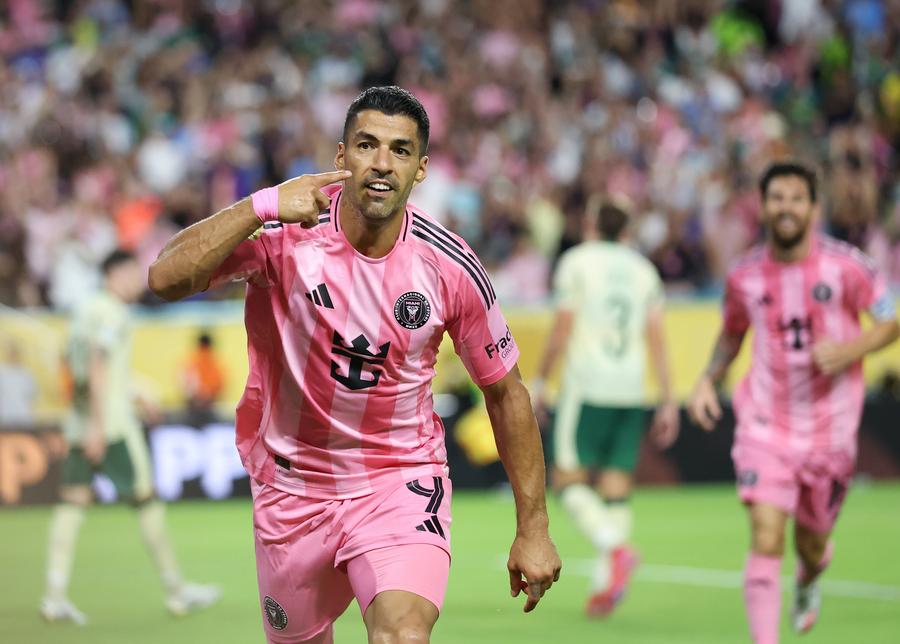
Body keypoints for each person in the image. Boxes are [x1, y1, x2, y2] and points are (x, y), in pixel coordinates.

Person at [148, 86, 561, 644]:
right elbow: (165, 279)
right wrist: (259, 205)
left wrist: (533, 527)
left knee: (402, 634)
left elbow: (506, 392)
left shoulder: (449, 266)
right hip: (290, 490)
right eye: (367, 145)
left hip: (398, 479)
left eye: (400, 150)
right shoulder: (282, 234)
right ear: (341, 157)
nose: (382, 163)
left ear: (421, 169)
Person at [686, 161, 899, 644]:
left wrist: (850, 350)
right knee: (765, 532)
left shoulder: (847, 266)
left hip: (831, 429)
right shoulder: (744, 276)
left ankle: (808, 579)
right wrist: (706, 380)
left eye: (796, 198)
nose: (786, 207)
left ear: (813, 208)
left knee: (812, 542)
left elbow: (890, 321)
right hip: (765, 423)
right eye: (777, 198)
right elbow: (732, 334)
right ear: (763, 207)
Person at [40, 249, 221, 625]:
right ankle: (176, 590)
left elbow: (90, 370)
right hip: (111, 428)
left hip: (81, 422)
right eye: (131, 274)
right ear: (114, 275)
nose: (137, 281)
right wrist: (99, 427)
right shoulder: (110, 312)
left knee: (71, 506)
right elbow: (97, 362)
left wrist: (136, 394)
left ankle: (54, 596)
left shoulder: (86, 309)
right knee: (147, 503)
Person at [531, 198, 679, 617]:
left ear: (591, 223)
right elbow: (657, 338)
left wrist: (540, 382)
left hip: (587, 386)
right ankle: (604, 586)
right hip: (632, 389)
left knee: (567, 480)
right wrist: (668, 398)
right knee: (615, 487)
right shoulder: (643, 269)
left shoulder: (576, 262)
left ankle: (616, 550)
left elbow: (561, 329)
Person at [182, 331, 225, 425]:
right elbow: (220, 385)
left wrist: (197, 397)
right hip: (209, 406)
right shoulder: (215, 364)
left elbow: (185, 384)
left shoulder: (191, 362)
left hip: (194, 407)